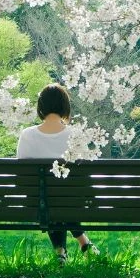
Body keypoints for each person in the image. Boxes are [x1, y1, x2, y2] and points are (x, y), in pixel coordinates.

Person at [17, 83, 99, 264]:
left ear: (41, 107)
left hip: (35, 201)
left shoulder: (27, 135)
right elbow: (83, 178)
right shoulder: (76, 134)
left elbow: (22, 177)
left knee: (49, 196)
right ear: (65, 107)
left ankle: (60, 251)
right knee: (62, 193)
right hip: (73, 201)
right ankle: (83, 243)